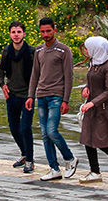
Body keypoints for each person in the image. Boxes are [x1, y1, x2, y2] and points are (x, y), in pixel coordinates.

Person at [25, 17, 78, 181]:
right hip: (41, 96)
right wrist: (30, 96)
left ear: (55, 30)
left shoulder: (64, 50)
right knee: (44, 134)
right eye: (42, 31)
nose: (45, 34)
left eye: (48, 31)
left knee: (51, 130)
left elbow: (69, 77)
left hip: (56, 96)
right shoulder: (39, 51)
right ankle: (54, 168)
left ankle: (70, 158)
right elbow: (35, 75)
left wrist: (66, 100)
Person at [77, 36, 108, 183]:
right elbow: (92, 81)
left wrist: (93, 103)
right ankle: (95, 171)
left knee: (100, 139)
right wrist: (86, 88)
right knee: (87, 138)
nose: (85, 51)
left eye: (87, 48)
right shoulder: (93, 63)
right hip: (90, 106)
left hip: (102, 108)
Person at [0, 21, 36, 173]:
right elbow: (0, 68)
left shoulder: (32, 52)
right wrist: (2, 85)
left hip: (27, 96)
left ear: (24, 34)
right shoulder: (7, 51)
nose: (16, 35)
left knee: (26, 128)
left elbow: (37, 73)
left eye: (19, 32)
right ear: (10, 34)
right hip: (12, 95)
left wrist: (32, 94)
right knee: (14, 128)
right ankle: (25, 154)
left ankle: (30, 161)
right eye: (13, 32)